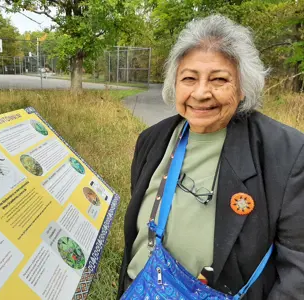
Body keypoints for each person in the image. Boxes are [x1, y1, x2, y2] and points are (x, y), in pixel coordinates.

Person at [117, 15, 304, 300]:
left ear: (243, 88)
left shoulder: (286, 152)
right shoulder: (152, 140)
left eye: (219, 79)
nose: (201, 93)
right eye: (189, 78)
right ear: (175, 84)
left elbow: (298, 266)